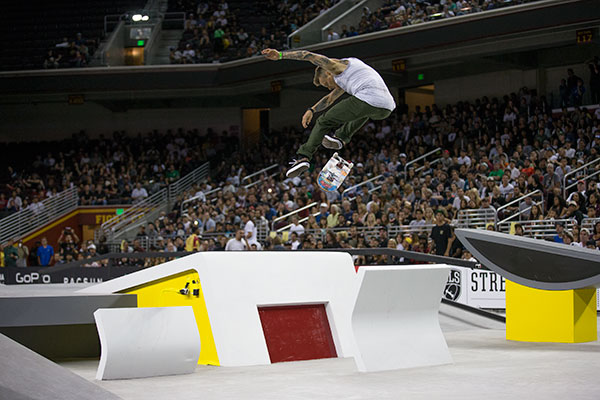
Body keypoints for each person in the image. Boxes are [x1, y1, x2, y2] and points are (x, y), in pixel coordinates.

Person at [261, 48, 396, 177]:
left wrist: (280, 55)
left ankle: (303, 156)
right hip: (386, 107)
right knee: (363, 112)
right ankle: (341, 137)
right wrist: (312, 110)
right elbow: (329, 99)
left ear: (327, 73)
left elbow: (308, 55)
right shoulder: (351, 74)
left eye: (326, 84)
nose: (329, 87)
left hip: (368, 97)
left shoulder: (335, 66)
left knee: (324, 121)